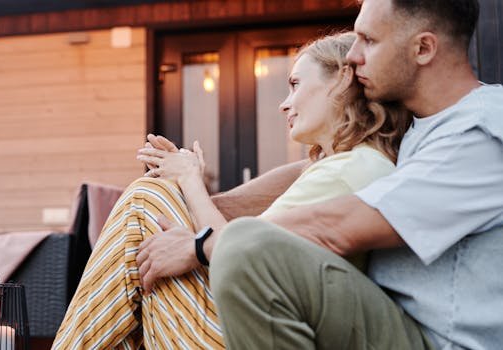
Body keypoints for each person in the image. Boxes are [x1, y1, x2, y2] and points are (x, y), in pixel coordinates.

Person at [53, 31, 411, 349]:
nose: (284, 103)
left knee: (145, 201)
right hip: (260, 322)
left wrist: (190, 179)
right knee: (147, 236)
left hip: (252, 333)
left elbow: (239, 256)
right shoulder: (347, 166)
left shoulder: (351, 170)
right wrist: (185, 187)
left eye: (295, 84)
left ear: (342, 81)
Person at [208, 0, 503, 349]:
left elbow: (336, 228)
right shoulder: (423, 124)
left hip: (439, 341)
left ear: (423, 48)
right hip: (389, 319)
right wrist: (216, 202)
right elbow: (320, 165)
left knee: (245, 249)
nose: (352, 55)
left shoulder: (481, 131)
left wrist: (205, 243)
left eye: (369, 40)